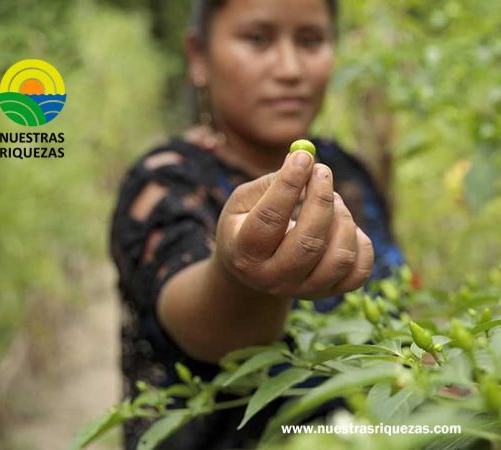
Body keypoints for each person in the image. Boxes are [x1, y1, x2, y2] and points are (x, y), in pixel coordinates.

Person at [108, 0, 406, 448]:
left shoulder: (351, 173)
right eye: (258, 39)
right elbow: (202, 318)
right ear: (198, 56)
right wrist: (240, 275)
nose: (290, 69)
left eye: (310, 41)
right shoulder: (164, 185)